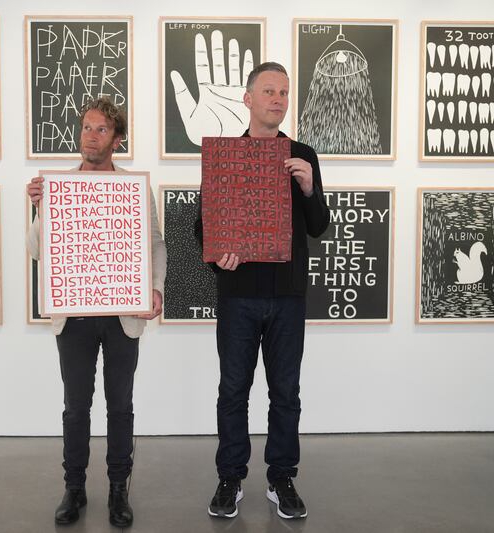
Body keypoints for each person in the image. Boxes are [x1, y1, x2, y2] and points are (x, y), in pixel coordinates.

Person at [194, 62, 330, 520]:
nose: (277, 99)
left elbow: (319, 227)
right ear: (248, 99)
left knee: (286, 391)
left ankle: (281, 478)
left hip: (288, 295)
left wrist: (309, 187)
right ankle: (230, 477)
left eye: (284, 92)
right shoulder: (227, 156)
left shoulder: (304, 154)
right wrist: (218, 259)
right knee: (233, 390)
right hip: (238, 294)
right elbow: (203, 227)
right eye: (268, 91)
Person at [27, 97, 167, 527]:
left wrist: (157, 288)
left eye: (101, 129)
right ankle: (74, 488)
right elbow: (36, 252)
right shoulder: (57, 186)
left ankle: (118, 490)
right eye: (87, 127)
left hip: (123, 312)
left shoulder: (133, 187)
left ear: (117, 139)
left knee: (120, 405)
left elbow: (156, 243)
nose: (91, 135)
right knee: (75, 406)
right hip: (74, 314)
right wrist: (38, 210)